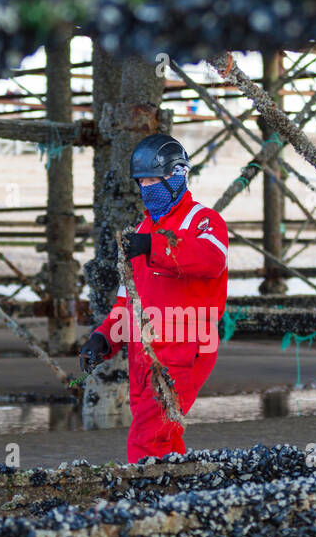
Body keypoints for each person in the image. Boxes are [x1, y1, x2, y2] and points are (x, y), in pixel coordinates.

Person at [78, 134, 229, 463]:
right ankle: (172, 499)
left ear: (177, 176)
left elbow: (211, 259)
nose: (147, 187)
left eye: (154, 179)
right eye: (142, 181)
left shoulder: (204, 221)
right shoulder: (141, 230)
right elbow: (126, 301)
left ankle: (144, 504)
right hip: (142, 347)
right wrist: (103, 339)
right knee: (162, 432)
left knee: (149, 434)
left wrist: (155, 247)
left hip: (186, 342)